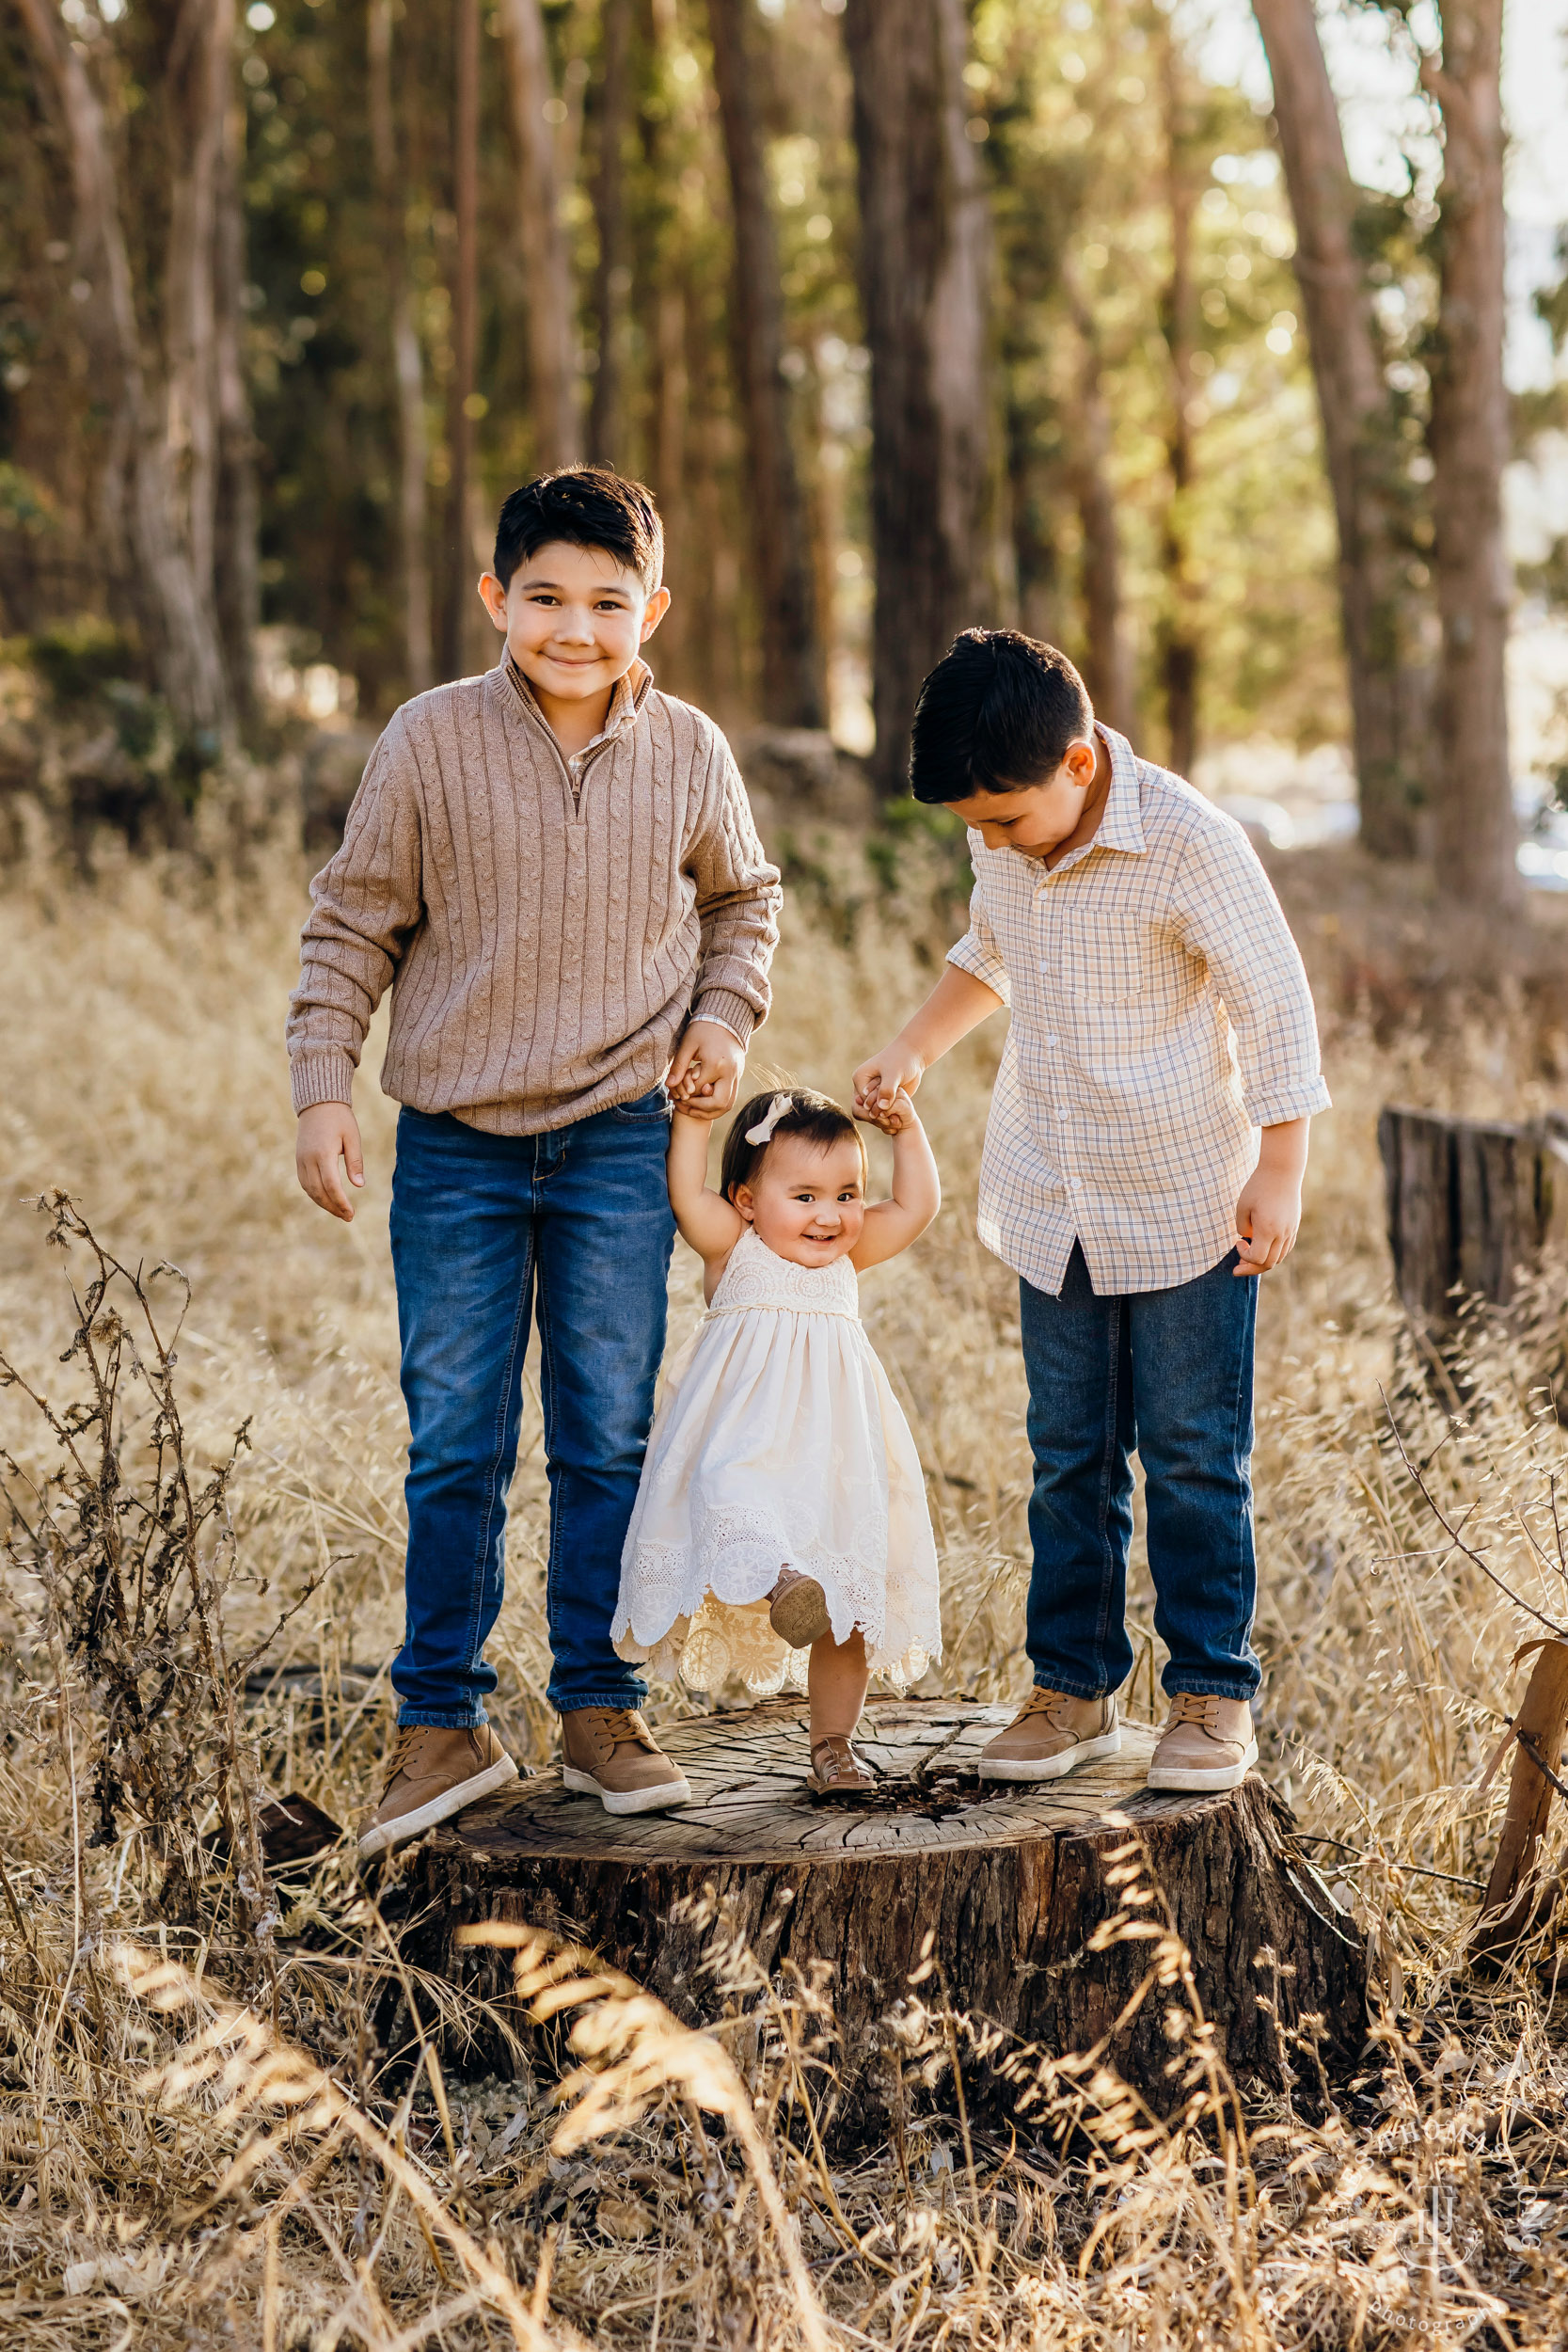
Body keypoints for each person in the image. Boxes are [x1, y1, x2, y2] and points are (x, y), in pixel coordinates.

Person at [288, 466, 782, 1857]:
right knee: (455, 1440)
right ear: (496, 598)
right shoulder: (428, 741)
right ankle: (435, 1721)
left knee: (605, 1433)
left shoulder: (688, 750)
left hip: (623, 1140)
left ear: (653, 612)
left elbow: (744, 901)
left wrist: (720, 1021)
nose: (576, 628)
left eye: (608, 603)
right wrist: (323, 1086)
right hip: (455, 1145)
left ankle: (596, 1704)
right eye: (547, 599)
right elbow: (351, 924)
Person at [854, 629, 1329, 1796]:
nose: (988, 841)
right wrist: (912, 1045)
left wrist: (1279, 1167)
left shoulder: (1186, 841)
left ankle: (1211, 1694)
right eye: (973, 827)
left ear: (1075, 764)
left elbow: (1274, 1003)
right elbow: (991, 949)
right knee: (1067, 1455)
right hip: (1050, 1192)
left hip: (1183, 1201)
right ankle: (1071, 1688)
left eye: (1003, 819)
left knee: (1190, 1456)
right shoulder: (1010, 840)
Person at [611, 1086, 942, 1800]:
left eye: (847, 1193)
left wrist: (906, 1129)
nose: (830, 1215)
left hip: (834, 1459)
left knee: (847, 1601)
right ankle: (781, 1583)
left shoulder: (847, 1261)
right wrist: (695, 1119)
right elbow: (684, 1191)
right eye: (805, 1195)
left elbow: (916, 1208)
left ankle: (833, 1748)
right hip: (744, 1444)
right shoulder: (731, 1246)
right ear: (746, 1201)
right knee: (732, 1502)